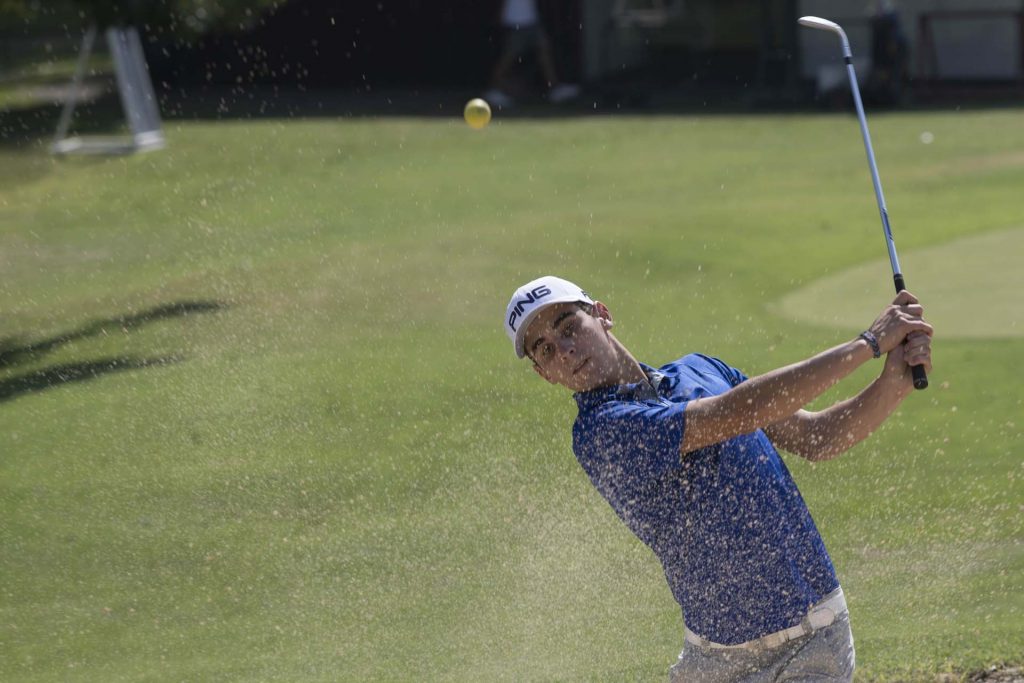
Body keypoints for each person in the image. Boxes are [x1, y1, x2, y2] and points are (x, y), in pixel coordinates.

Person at [503, 275, 933, 682]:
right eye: (545, 350)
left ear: (602, 314)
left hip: (817, 638)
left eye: (569, 327)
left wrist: (894, 380)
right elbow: (736, 413)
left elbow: (818, 437)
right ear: (544, 373)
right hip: (717, 663)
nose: (565, 350)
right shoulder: (601, 431)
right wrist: (868, 343)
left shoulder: (700, 370)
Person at [484, 0, 581, 107]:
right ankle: (494, 89)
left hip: (531, 21)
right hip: (516, 21)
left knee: (543, 51)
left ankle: (555, 88)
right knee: (508, 58)